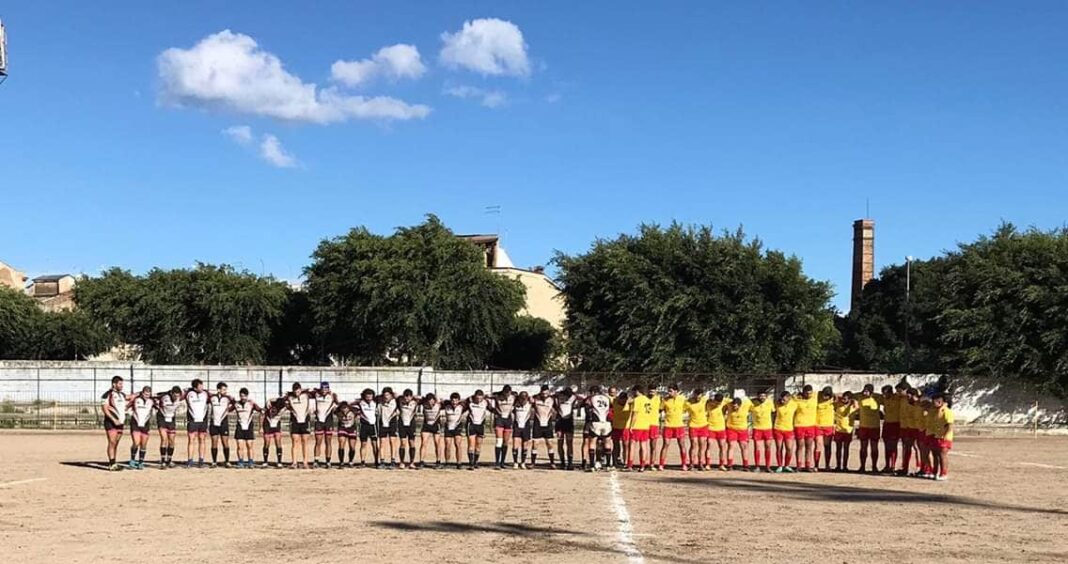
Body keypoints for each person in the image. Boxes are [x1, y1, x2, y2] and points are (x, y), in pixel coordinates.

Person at [581, 385, 613, 471]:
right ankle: (608, 465)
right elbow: (611, 408)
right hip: (606, 422)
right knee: (607, 443)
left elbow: (586, 405)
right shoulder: (607, 398)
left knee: (592, 443)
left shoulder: (591, 398)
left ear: (592, 392)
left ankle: (591, 465)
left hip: (596, 422)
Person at [658, 384, 688, 471]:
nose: (669, 392)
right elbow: (659, 410)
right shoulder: (665, 400)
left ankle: (684, 464)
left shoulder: (682, 399)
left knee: (682, 445)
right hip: (668, 425)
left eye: (670, 390)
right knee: (665, 444)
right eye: (668, 390)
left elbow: (687, 408)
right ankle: (661, 464)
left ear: (676, 391)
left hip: (679, 425)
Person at [854, 384, 882, 473]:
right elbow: (851, 395)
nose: (865, 392)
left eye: (868, 391)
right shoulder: (860, 397)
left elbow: (886, 398)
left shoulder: (877, 398)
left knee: (874, 447)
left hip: (875, 426)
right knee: (863, 447)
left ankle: (874, 466)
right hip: (864, 426)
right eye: (864, 390)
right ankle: (862, 466)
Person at [101, 375, 127, 471]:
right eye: (120, 384)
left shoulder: (121, 395)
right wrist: (113, 419)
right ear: (114, 384)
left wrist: (141, 393)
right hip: (111, 422)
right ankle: (111, 464)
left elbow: (129, 397)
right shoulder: (107, 394)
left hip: (120, 422)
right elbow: (104, 408)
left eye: (122, 384)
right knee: (112, 442)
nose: (121, 385)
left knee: (116, 443)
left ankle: (114, 462)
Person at [286, 382, 314, 469]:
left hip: (305, 420)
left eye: (298, 390)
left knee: (305, 442)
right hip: (294, 421)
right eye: (295, 390)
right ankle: (294, 462)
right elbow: (279, 399)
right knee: (295, 442)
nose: (296, 392)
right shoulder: (289, 397)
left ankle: (305, 462)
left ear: (300, 390)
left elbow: (314, 391)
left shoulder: (306, 395)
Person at [880, 383, 906, 473]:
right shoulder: (884, 399)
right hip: (886, 424)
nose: (884, 395)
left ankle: (893, 466)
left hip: (895, 424)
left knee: (893, 445)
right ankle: (887, 465)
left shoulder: (898, 398)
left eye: (886, 393)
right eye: (883, 393)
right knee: (886, 445)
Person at [626, 386, 653, 472]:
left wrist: (631, 426)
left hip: (637, 425)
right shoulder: (647, 400)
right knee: (644, 446)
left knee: (632, 445)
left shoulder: (638, 400)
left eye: (634, 392)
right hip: (645, 425)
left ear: (637, 391)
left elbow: (635, 413)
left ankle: (630, 465)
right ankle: (642, 466)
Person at [792, 385, 818, 472]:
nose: (808, 395)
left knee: (809, 447)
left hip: (810, 425)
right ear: (803, 392)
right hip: (799, 425)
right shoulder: (797, 400)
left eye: (810, 393)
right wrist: (794, 396)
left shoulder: (815, 398)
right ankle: (798, 465)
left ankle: (808, 465)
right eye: (806, 393)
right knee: (800, 446)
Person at [127, 385, 155, 470]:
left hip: (145, 425)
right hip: (135, 423)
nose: (146, 396)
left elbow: (160, 403)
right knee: (136, 442)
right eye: (145, 394)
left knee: (143, 444)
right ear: (142, 393)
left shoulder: (152, 401)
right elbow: (127, 405)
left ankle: (141, 462)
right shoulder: (136, 400)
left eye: (148, 394)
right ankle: (132, 460)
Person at [928, 393, 954, 481]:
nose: (933, 402)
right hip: (936, 435)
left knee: (942, 454)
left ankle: (944, 473)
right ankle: (935, 472)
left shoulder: (946, 411)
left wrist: (945, 435)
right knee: (935, 454)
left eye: (935, 400)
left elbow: (949, 425)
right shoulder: (935, 411)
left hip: (944, 437)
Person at [208, 382, 235, 468]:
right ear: (218, 390)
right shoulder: (212, 397)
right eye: (223, 389)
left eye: (226, 389)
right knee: (214, 443)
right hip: (214, 423)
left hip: (224, 423)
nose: (225, 391)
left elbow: (236, 404)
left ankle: (227, 461)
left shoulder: (228, 398)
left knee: (225, 443)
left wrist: (229, 410)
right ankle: (214, 462)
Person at [184, 379, 210, 468]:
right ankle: (190, 460)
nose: (202, 387)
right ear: (195, 387)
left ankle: (201, 460)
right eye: (200, 386)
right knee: (191, 440)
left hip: (203, 421)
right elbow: (178, 396)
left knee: (202, 440)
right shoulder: (188, 394)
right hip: (192, 420)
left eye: (202, 385)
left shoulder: (206, 393)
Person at [154, 386, 182, 468]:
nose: (176, 397)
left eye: (177, 396)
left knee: (172, 441)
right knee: (164, 439)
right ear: (171, 393)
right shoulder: (164, 397)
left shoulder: (180, 397)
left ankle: (169, 460)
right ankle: (163, 461)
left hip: (171, 419)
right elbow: (153, 396)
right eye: (174, 395)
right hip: (162, 419)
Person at [233, 388, 261, 468]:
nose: (243, 398)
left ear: (247, 396)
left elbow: (260, 410)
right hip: (240, 426)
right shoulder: (236, 404)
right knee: (239, 445)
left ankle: (250, 461)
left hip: (249, 426)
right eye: (241, 396)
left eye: (244, 396)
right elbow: (228, 409)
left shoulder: (251, 404)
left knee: (249, 445)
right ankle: (241, 461)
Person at [312, 382, 338, 468]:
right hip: (319, 421)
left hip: (328, 421)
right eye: (322, 388)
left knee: (328, 442)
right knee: (318, 442)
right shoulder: (316, 394)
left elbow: (338, 404)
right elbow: (305, 393)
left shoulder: (332, 395)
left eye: (326, 388)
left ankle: (328, 461)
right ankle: (316, 460)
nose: (324, 390)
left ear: (328, 389)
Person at [898, 387, 923, 476]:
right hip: (909, 427)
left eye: (909, 396)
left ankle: (920, 467)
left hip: (919, 428)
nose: (907, 398)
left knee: (919, 448)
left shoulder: (921, 404)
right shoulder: (907, 402)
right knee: (907, 447)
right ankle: (905, 468)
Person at [490, 386, 516, 469]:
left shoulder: (514, 396)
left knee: (505, 442)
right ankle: (497, 462)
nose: (507, 395)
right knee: (499, 441)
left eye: (508, 393)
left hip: (508, 420)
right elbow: (487, 397)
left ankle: (502, 462)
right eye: (505, 393)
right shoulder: (497, 396)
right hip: (499, 419)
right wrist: (494, 410)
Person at [531, 385, 557, 468]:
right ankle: (533, 463)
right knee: (535, 444)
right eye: (543, 393)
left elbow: (557, 408)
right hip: (538, 423)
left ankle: (552, 463)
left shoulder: (552, 399)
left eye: (546, 393)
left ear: (548, 392)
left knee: (549, 443)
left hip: (547, 423)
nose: (544, 395)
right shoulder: (535, 398)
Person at [554, 388, 580, 470]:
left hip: (568, 421)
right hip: (560, 421)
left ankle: (569, 462)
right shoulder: (558, 397)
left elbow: (580, 398)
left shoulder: (572, 397)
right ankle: (563, 462)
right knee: (561, 442)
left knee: (568, 443)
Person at [725, 395, 753, 470]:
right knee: (731, 446)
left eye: (736, 406)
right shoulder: (729, 404)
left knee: (744, 447)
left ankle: (745, 465)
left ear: (740, 405)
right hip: (731, 429)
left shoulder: (746, 405)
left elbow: (752, 403)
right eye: (733, 406)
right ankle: (729, 465)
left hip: (742, 430)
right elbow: (724, 400)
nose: (734, 408)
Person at [772, 391, 798, 473]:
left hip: (789, 429)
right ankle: (780, 465)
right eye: (781, 399)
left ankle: (786, 465)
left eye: (784, 399)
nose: (782, 401)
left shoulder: (794, 404)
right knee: (779, 448)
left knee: (789, 448)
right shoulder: (777, 404)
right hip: (778, 428)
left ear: (789, 398)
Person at [684, 389, 709, 471]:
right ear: (694, 394)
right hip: (693, 426)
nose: (698, 397)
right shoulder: (688, 403)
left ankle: (701, 463)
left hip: (703, 425)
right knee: (694, 444)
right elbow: (680, 409)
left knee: (702, 445)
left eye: (700, 395)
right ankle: (691, 464)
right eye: (696, 395)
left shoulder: (705, 400)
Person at [750, 391, 774, 472]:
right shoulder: (752, 403)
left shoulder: (770, 402)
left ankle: (768, 466)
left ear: (766, 396)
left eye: (764, 396)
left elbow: (774, 412)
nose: (762, 398)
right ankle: (757, 466)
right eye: (760, 396)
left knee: (768, 447)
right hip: (757, 428)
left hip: (768, 428)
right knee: (757, 447)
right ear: (757, 396)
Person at [466, 390, 491, 470]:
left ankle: (476, 462)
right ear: (474, 397)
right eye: (477, 398)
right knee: (471, 444)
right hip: (471, 425)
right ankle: (471, 463)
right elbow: (462, 404)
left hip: (481, 425)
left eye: (480, 399)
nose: (478, 400)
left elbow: (492, 409)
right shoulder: (470, 401)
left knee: (478, 445)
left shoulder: (485, 402)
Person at [356, 388, 380, 467]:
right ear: (364, 396)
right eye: (367, 395)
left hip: (373, 426)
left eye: (370, 395)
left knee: (375, 444)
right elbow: (349, 404)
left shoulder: (375, 402)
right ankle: (362, 461)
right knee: (363, 444)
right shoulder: (360, 402)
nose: (369, 397)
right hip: (363, 425)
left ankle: (377, 461)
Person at [832, 391, 856, 471]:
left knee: (846, 449)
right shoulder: (838, 404)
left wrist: (853, 402)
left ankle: (845, 466)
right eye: (843, 398)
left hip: (848, 430)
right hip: (839, 429)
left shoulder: (853, 406)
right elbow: (835, 395)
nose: (843, 400)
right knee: (838, 449)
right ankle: (838, 465)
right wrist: (840, 397)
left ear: (849, 399)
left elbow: (856, 406)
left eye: (845, 399)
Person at [442, 392, 467, 470]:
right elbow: (438, 402)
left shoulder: (462, 406)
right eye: (453, 400)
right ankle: (447, 462)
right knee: (447, 445)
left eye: (456, 400)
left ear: (459, 400)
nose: (454, 402)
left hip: (457, 427)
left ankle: (459, 463)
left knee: (458, 444)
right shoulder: (446, 405)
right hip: (448, 427)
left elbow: (469, 400)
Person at [378, 387, 400, 469]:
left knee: (392, 442)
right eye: (385, 395)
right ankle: (382, 461)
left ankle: (393, 461)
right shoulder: (380, 401)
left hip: (392, 423)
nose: (386, 396)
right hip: (383, 423)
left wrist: (396, 395)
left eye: (388, 394)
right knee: (382, 443)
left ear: (391, 395)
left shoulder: (396, 401)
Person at [418, 393, 443, 468]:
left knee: (437, 443)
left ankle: (438, 461)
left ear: (434, 401)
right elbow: (414, 399)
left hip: (436, 425)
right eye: (429, 401)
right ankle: (421, 461)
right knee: (424, 443)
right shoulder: (423, 403)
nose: (430, 403)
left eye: (432, 401)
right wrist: (420, 397)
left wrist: (440, 400)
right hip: (426, 425)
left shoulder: (439, 404)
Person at [705, 393, 729, 470]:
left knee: (722, 447)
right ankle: (708, 464)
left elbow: (735, 402)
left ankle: (722, 464)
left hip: (721, 428)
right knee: (709, 446)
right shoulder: (708, 403)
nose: (718, 404)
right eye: (716, 402)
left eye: (719, 403)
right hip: (711, 428)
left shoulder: (725, 402)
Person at [397, 390, 420, 469]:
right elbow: (394, 395)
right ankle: (402, 462)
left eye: (409, 396)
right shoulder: (399, 400)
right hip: (402, 424)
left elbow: (424, 398)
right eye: (406, 396)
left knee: (412, 443)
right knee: (403, 443)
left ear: (411, 396)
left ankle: (412, 462)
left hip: (411, 424)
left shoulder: (415, 402)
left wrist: (415, 397)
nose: (407, 398)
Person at [512, 391, 535, 469]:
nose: (523, 400)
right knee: (515, 444)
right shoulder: (515, 403)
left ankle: (523, 462)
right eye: (521, 398)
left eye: (524, 399)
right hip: (517, 425)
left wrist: (531, 398)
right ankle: (515, 462)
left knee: (525, 445)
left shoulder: (530, 404)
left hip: (526, 426)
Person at [261, 398, 286, 468]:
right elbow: (262, 415)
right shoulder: (268, 405)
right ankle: (265, 461)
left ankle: (279, 461)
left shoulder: (283, 407)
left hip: (276, 425)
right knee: (266, 443)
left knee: (278, 442)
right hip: (267, 425)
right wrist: (261, 427)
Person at [815, 387, 836, 471]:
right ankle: (816, 465)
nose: (825, 397)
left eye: (827, 396)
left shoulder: (833, 400)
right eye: (824, 395)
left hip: (828, 426)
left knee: (827, 446)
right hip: (818, 425)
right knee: (818, 445)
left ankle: (827, 465)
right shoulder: (817, 396)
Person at [610, 391, 632, 469]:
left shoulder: (630, 404)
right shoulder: (615, 402)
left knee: (625, 445)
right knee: (616, 445)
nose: (622, 400)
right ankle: (615, 461)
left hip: (625, 427)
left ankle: (625, 461)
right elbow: (610, 397)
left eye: (623, 399)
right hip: (616, 427)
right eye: (621, 398)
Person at [336, 401, 358, 467]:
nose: (344, 409)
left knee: (352, 446)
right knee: (341, 443)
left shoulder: (354, 411)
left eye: (345, 408)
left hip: (352, 428)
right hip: (342, 428)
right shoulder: (337, 412)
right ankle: (341, 462)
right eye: (342, 408)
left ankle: (350, 461)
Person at [647, 387, 662, 470]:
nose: (651, 393)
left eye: (653, 391)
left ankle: (652, 464)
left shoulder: (659, 399)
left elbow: (661, 410)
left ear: (656, 391)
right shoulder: (644, 398)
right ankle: (643, 463)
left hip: (654, 424)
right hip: (644, 424)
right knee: (643, 445)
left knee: (653, 446)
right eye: (650, 391)